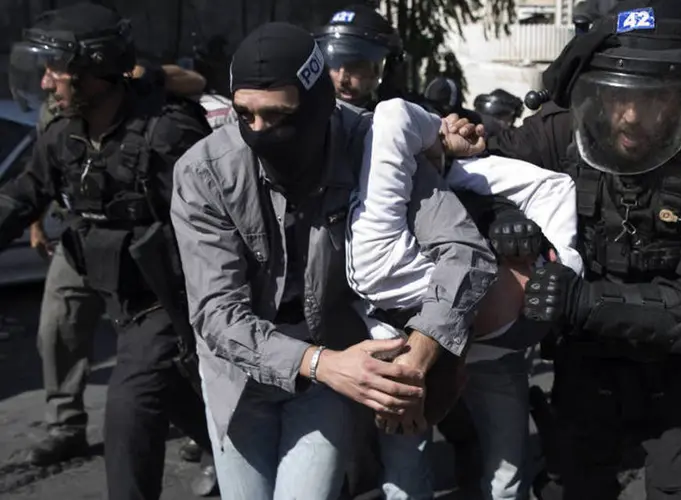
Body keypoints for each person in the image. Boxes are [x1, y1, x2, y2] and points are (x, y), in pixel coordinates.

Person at [169, 22, 497, 500]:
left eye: (279, 116)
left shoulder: (371, 144)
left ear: (318, 106)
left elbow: (464, 252)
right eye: (245, 115)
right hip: (237, 377)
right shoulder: (204, 172)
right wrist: (321, 364)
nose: (260, 133)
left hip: (338, 363)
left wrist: (421, 354)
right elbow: (217, 314)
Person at [458, 0, 681, 497]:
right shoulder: (561, 128)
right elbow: (472, 176)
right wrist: (502, 218)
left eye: (656, 98)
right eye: (616, 98)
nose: (632, 117)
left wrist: (579, 302)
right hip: (587, 370)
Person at [1, 4, 213, 499]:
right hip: (116, 298)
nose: (49, 83)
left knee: (129, 409)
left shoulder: (167, 133)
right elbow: (22, 194)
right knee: (181, 396)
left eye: (57, 70)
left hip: (166, 301)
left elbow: (221, 225)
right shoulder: (62, 135)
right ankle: (237, 452)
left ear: (95, 69)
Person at [346, 97, 583, 500]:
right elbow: (556, 189)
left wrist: (444, 156)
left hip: (481, 354)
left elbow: (393, 116)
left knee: (504, 477)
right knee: (407, 474)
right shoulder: (520, 320)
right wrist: (561, 266)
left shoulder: (381, 269)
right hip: (491, 348)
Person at [315, 5, 407, 110]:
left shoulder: (410, 120)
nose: (342, 79)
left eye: (355, 66)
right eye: (334, 63)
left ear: (387, 69)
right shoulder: (311, 117)